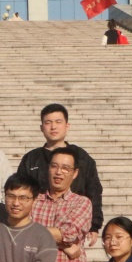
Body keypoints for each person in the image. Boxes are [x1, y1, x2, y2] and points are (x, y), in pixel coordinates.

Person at [17, 103, 104, 241]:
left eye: (58, 122)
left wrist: (94, 225)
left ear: (67, 126)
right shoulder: (31, 159)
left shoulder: (81, 157)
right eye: (48, 122)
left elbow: (93, 190)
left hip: (71, 222)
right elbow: (20, 191)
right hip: (37, 223)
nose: (53, 127)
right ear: (41, 128)